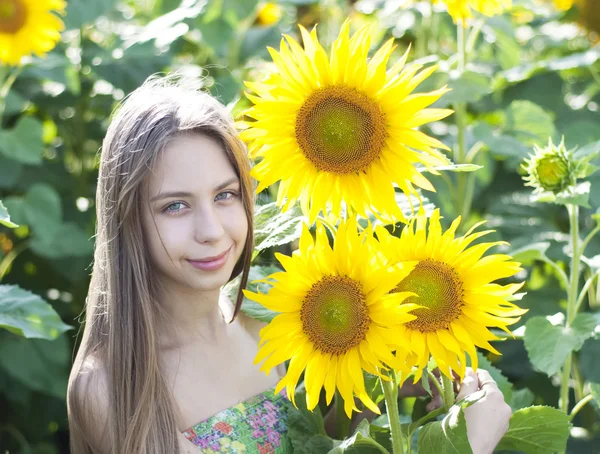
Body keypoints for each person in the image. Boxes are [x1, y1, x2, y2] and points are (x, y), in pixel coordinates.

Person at [66, 74, 511, 454]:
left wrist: (371, 389)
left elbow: (304, 443)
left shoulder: (272, 325)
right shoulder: (115, 387)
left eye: (226, 195)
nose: (212, 230)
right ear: (127, 220)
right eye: (175, 206)